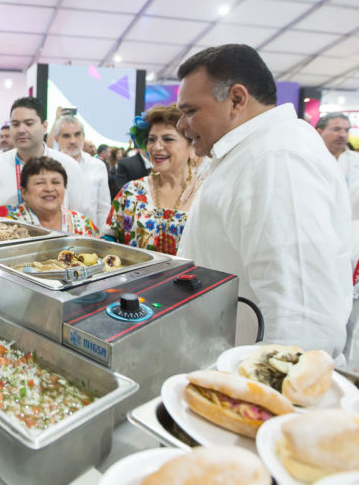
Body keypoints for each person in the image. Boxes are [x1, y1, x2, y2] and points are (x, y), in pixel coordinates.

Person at [175, 44, 351, 357]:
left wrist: (253, 399)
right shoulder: (250, 151)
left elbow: (302, 324)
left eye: (190, 111)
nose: (181, 125)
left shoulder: (276, 159)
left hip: (253, 385)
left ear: (236, 100)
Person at [105, 105, 200, 255]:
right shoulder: (131, 192)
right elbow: (109, 240)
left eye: (168, 139)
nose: (156, 147)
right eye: (151, 139)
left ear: (191, 145)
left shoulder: (205, 192)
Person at [0, 97, 87, 215]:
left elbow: (81, 217)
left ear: (45, 126)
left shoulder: (67, 165)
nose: (21, 130)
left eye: (29, 123)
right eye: (15, 124)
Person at [0, 157, 98, 236]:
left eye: (56, 182)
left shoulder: (83, 223)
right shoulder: (3, 219)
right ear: (24, 192)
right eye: (40, 183)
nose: (49, 188)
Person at [54, 116, 111, 233]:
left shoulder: (97, 166)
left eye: (77, 134)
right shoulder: (48, 165)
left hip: (89, 237)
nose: (73, 140)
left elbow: (103, 208)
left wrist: (101, 237)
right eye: (66, 135)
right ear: (56, 139)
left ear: (83, 136)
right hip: (56, 236)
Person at [316, 112, 359, 220]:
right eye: (336, 129)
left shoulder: (356, 159)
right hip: (320, 220)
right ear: (319, 132)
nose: (342, 135)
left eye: (346, 130)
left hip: (352, 223)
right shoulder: (311, 158)